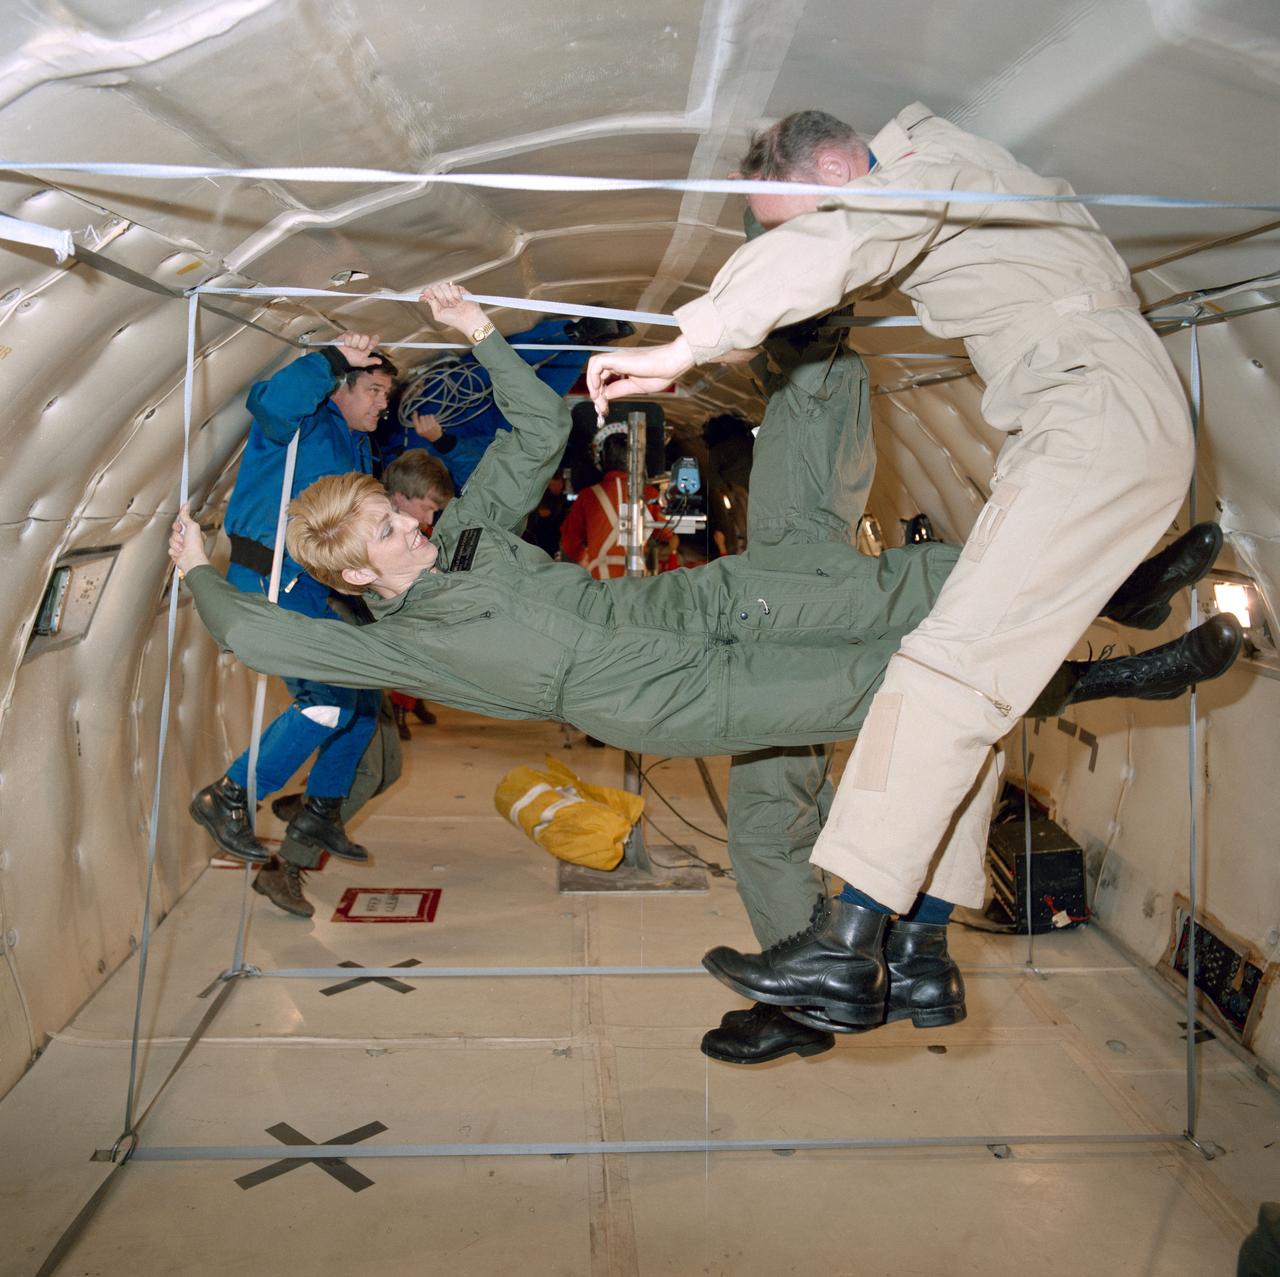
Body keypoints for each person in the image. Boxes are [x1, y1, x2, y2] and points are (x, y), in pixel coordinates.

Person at [171, 289, 1238, 861]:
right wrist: (194, 570)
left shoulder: (467, 534)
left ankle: (1115, 586)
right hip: (654, 693)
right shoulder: (387, 638)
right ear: (356, 567)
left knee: (903, 581)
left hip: (678, 602)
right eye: (383, 522)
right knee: (896, 675)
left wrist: (484, 332)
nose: (407, 513)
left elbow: (541, 421)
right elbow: (258, 634)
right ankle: (1102, 677)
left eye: (393, 504)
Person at [584, 106, 1224, 1032]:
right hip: (1084, 415)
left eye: (794, 216)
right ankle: (921, 950)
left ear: (843, 165)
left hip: (1089, 413)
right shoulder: (952, 183)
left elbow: (846, 238)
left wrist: (693, 338)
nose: (800, 238)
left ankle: (848, 943)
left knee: (937, 677)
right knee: (972, 696)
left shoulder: (928, 168)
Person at [188, 333, 394, 903]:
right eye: (373, 389)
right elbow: (273, 403)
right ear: (339, 389)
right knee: (325, 703)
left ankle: (320, 811)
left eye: (385, 393)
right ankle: (229, 795)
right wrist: (331, 360)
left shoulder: (355, 445)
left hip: (307, 587)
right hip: (268, 580)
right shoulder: (301, 421)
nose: (382, 403)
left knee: (360, 695)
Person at [380, 315, 633, 491]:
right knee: (535, 408)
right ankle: (584, 343)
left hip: (436, 411)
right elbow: (473, 476)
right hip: (472, 434)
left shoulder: (389, 464)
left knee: (492, 365)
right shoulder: (442, 509)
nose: (426, 517)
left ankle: (568, 333)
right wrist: (444, 442)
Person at [559, 424, 677, 579]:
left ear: (602, 460)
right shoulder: (648, 494)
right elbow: (668, 535)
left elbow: (569, 542)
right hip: (636, 581)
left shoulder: (588, 496)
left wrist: (586, 560)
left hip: (600, 579)